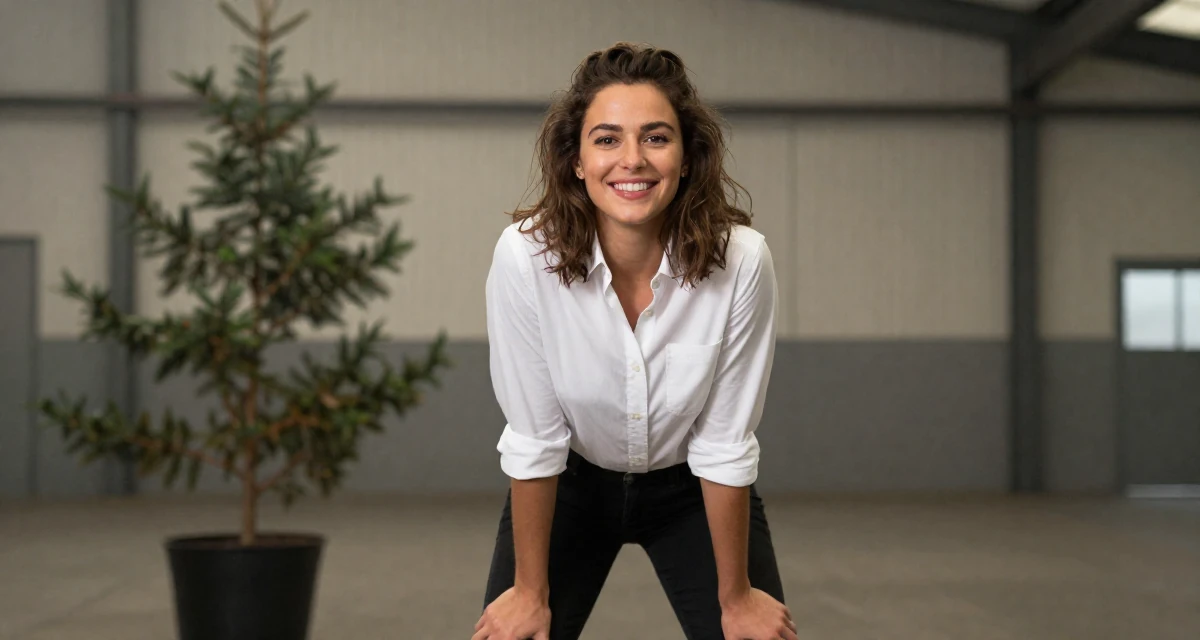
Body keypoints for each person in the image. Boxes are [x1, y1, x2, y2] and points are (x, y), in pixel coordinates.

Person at [473, 42, 795, 640]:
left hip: (691, 491)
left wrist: (737, 599)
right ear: (575, 159)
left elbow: (724, 443)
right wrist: (529, 593)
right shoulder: (525, 256)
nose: (632, 160)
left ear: (688, 156)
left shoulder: (742, 260)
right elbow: (536, 438)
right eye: (606, 139)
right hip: (571, 483)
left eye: (655, 137)